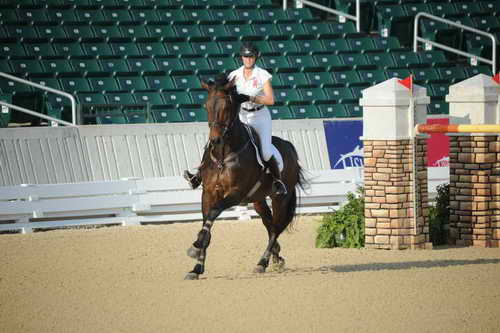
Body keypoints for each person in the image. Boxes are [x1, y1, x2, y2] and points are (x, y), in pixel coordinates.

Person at [183, 42, 287, 196]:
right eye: (245, 56)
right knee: (215, 140)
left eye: (251, 56)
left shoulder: (262, 75)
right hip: (241, 115)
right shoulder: (234, 75)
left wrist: (250, 97)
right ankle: (198, 175)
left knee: (265, 152)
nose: (248, 59)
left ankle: (278, 181)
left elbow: (271, 100)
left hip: (259, 117)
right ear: (241, 57)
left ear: (256, 57)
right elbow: (222, 91)